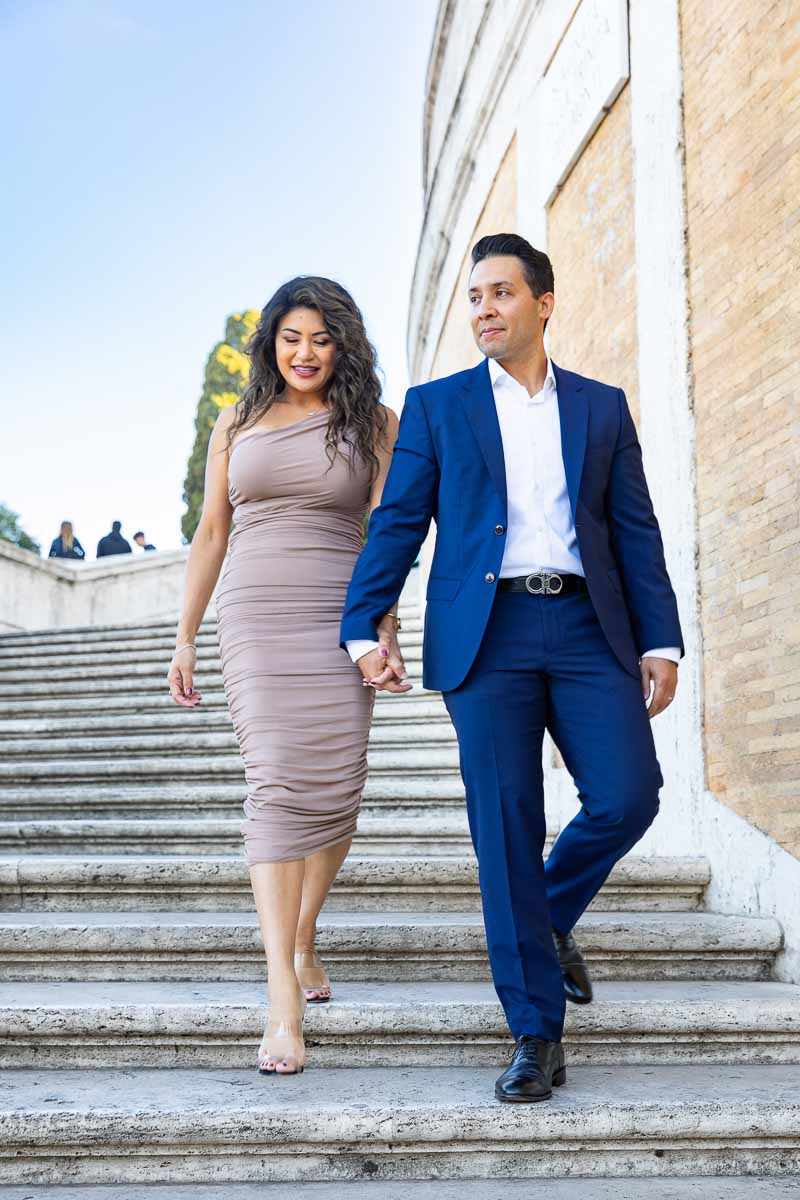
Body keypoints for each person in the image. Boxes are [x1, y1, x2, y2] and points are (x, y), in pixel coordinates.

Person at [340, 233, 683, 1104]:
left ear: (544, 302)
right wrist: (360, 626)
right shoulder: (437, 406)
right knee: (505, 826)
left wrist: (661, 639)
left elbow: (633, 531)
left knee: (628, 794)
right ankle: (535, 1031)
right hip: (484, 635)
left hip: (584, 626)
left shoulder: (601, 408)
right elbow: (399, 522)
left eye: (500, 293)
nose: (483, 310)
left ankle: (547, 916)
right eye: (474, 296)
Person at [167, 276, 404, 1077]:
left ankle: (304, 934)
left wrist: (384, 630)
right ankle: (281, 1006)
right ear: (272, 341)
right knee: (274, 785)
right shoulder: (235, 421)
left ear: (344, 345)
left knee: (338, 790)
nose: (305, 353)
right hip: (256, 618)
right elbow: (209, 533)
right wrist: (184, 638)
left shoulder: (375, 423)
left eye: (322, 339)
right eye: (292, 337)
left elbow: (386, 536)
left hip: (341, 621)